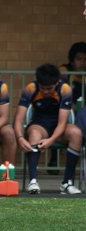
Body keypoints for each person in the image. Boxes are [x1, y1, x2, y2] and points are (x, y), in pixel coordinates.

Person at [14, 63, 82, 194]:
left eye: (49, 88)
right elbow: (18, 119)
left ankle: (67, 183)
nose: (45, 92)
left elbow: (62, 123)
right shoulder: (31, 88)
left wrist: (51, 140)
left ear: (57, 83)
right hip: (40, 124)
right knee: (34, 132)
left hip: (59, 125)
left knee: (76, 133)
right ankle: (33, 181)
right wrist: (20, 138)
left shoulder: (65, 89)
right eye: (42, 88)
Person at [47, 42, 86, 174]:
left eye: (85, 59)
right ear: (72, 60)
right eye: (79, 59)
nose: (83, 63)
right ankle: (54, 158)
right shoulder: (64, 71)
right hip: (65, 108)